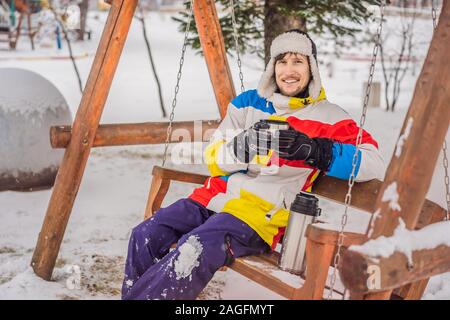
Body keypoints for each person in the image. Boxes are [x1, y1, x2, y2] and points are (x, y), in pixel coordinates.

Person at [121, 29, 385, 300]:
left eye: (298, 61)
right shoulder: (248, 103)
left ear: (312, 68)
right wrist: (242, 146)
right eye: (282, 61)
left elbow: (373, 163)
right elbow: (214, 158)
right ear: (273, 67)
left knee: (194, 248)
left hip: (260, 215)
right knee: (146, 234)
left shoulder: (330, 118)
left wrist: (315, 150)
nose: (289, 70)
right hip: (214, 198)